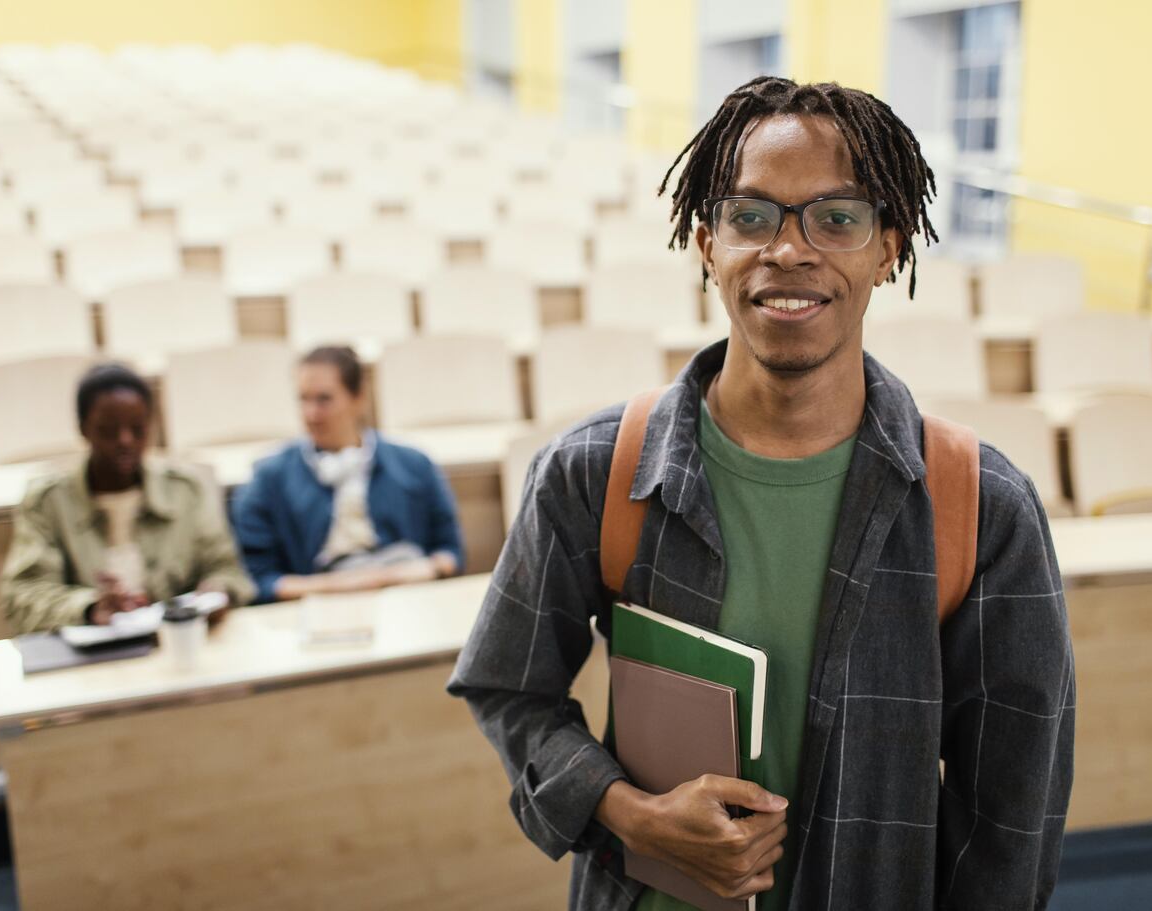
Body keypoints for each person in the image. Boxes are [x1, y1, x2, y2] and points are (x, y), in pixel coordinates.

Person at [448, 77, 1074, 911]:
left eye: (838, 218)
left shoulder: (983, 504)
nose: (789, 250)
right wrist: (627, 811)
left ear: (888, 246)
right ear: (706, 243)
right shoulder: (591, 471)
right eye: (752, 217)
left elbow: (1012, 816)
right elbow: (508, 687)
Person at [0, 363, 255, 634]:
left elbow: (228, 570)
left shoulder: (185, 492)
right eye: (109, 431)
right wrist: (89, 607)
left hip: (179, 639)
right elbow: (23, 596)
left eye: (138, 429)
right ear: (83, 428)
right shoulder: (48, 503)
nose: (125, 441)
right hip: (90, 656)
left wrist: (217, 592)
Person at [231, 345, 463, 603]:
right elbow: (257, 580)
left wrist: (425, 569)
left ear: (359, 398)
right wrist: (343, 585)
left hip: (407, 600)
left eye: (324, 400)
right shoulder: (268, 477)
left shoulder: (414, 464)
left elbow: (451, 552)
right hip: (317, 606)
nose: (311, 414)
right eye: (303, 399)